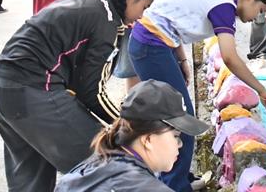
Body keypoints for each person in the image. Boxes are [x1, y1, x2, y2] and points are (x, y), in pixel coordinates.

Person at [0, 0, 157, 192]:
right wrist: (125, 125)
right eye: (143, 7)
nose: (142, 16)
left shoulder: (90, 1)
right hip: (34, 89)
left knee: (31, 177)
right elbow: (91, 91)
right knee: (106, 158)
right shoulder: (105, 20)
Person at [128, 0, 266, 192]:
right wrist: (262, 90)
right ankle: (175, 186)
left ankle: (178, 178)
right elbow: (229, 56)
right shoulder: (224, 6)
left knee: (175, 114)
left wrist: (181, 60)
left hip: (156, 43)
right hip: (150, 45)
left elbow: (171, 20)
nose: (257, 16)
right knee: (181, 118)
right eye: (261, 10)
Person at [55, 79, 209, 192]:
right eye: (176, 136)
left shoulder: (99, 163)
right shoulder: (144, 187)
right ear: (148, 140)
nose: (180, 144)